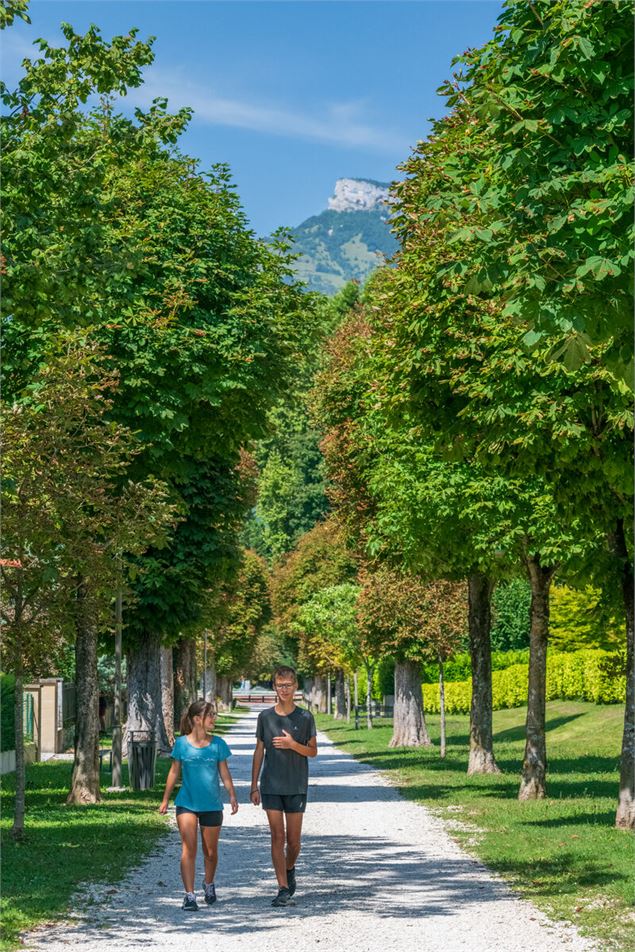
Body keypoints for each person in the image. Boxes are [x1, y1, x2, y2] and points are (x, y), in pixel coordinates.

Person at [159, 699, 238, 911]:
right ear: (197, 719)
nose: (214, 719)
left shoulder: (218, 744)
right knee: (189, 848)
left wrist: (232, 794)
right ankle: (189, 895)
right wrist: (166, 799)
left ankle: (209, 884)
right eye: (210, 715)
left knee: (210, 852)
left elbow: (224, 772)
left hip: (212, 804)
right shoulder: (182, 744)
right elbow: (174, 771)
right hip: (187, 803)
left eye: (213, 715)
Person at [250, 666, 317, 907]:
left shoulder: (305, 717)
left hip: (296, 785)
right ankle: (282, 887)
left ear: (295, 686)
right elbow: (259, 751)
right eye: (280, 685)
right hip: (271, 785)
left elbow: (313, 751)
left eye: (288, 685)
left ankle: (289, 868)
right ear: (274, 687)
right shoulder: (265, 717)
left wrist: (292, 744)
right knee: (277, 837)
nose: (284, 689)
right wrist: (253, 785)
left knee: (294, 842)